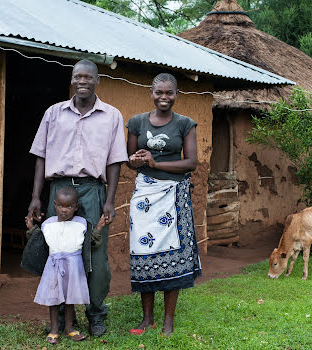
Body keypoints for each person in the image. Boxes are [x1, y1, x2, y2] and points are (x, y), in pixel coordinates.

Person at [27, 59, 128, 337]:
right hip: (58, 191)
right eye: (77, 77)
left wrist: (109, 199)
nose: (82, 82)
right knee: (57, 253)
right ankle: (59, 318)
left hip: (93, 190)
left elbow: (115, 162)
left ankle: (95, 314)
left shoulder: (112, 116)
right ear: (72, 80)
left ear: (97, 81)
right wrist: (37, 197)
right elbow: (40, 157)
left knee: (95, 255)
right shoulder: (53, 113)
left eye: (87, 77)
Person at [126, 73, 202, 335]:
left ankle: (168, 320)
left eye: (169, 93)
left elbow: (191, 162)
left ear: (176, 94)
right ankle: (147, 318)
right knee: (142, 253)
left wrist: (156, 163)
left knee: (174, 255)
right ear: (151, 92)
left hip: (173, 194)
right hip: (144, 194)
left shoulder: (185, 124)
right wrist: (137, 160)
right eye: (159, 92)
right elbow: (130, 159)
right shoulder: (136, 122)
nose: (164, 97)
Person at [25, 186, 106, 344]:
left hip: (74, 267)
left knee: (71, 299)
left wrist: (99, 227)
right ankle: (54, 329)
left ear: (76, 207)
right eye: (61, 206)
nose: (64, 210)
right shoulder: (47, 224)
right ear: (55, 205)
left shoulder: (81, 223)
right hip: (53, 267)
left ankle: (69, 328)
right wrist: (31, 229)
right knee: (54, 299)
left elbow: (90, 243)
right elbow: (40, 244)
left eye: (69, 206)